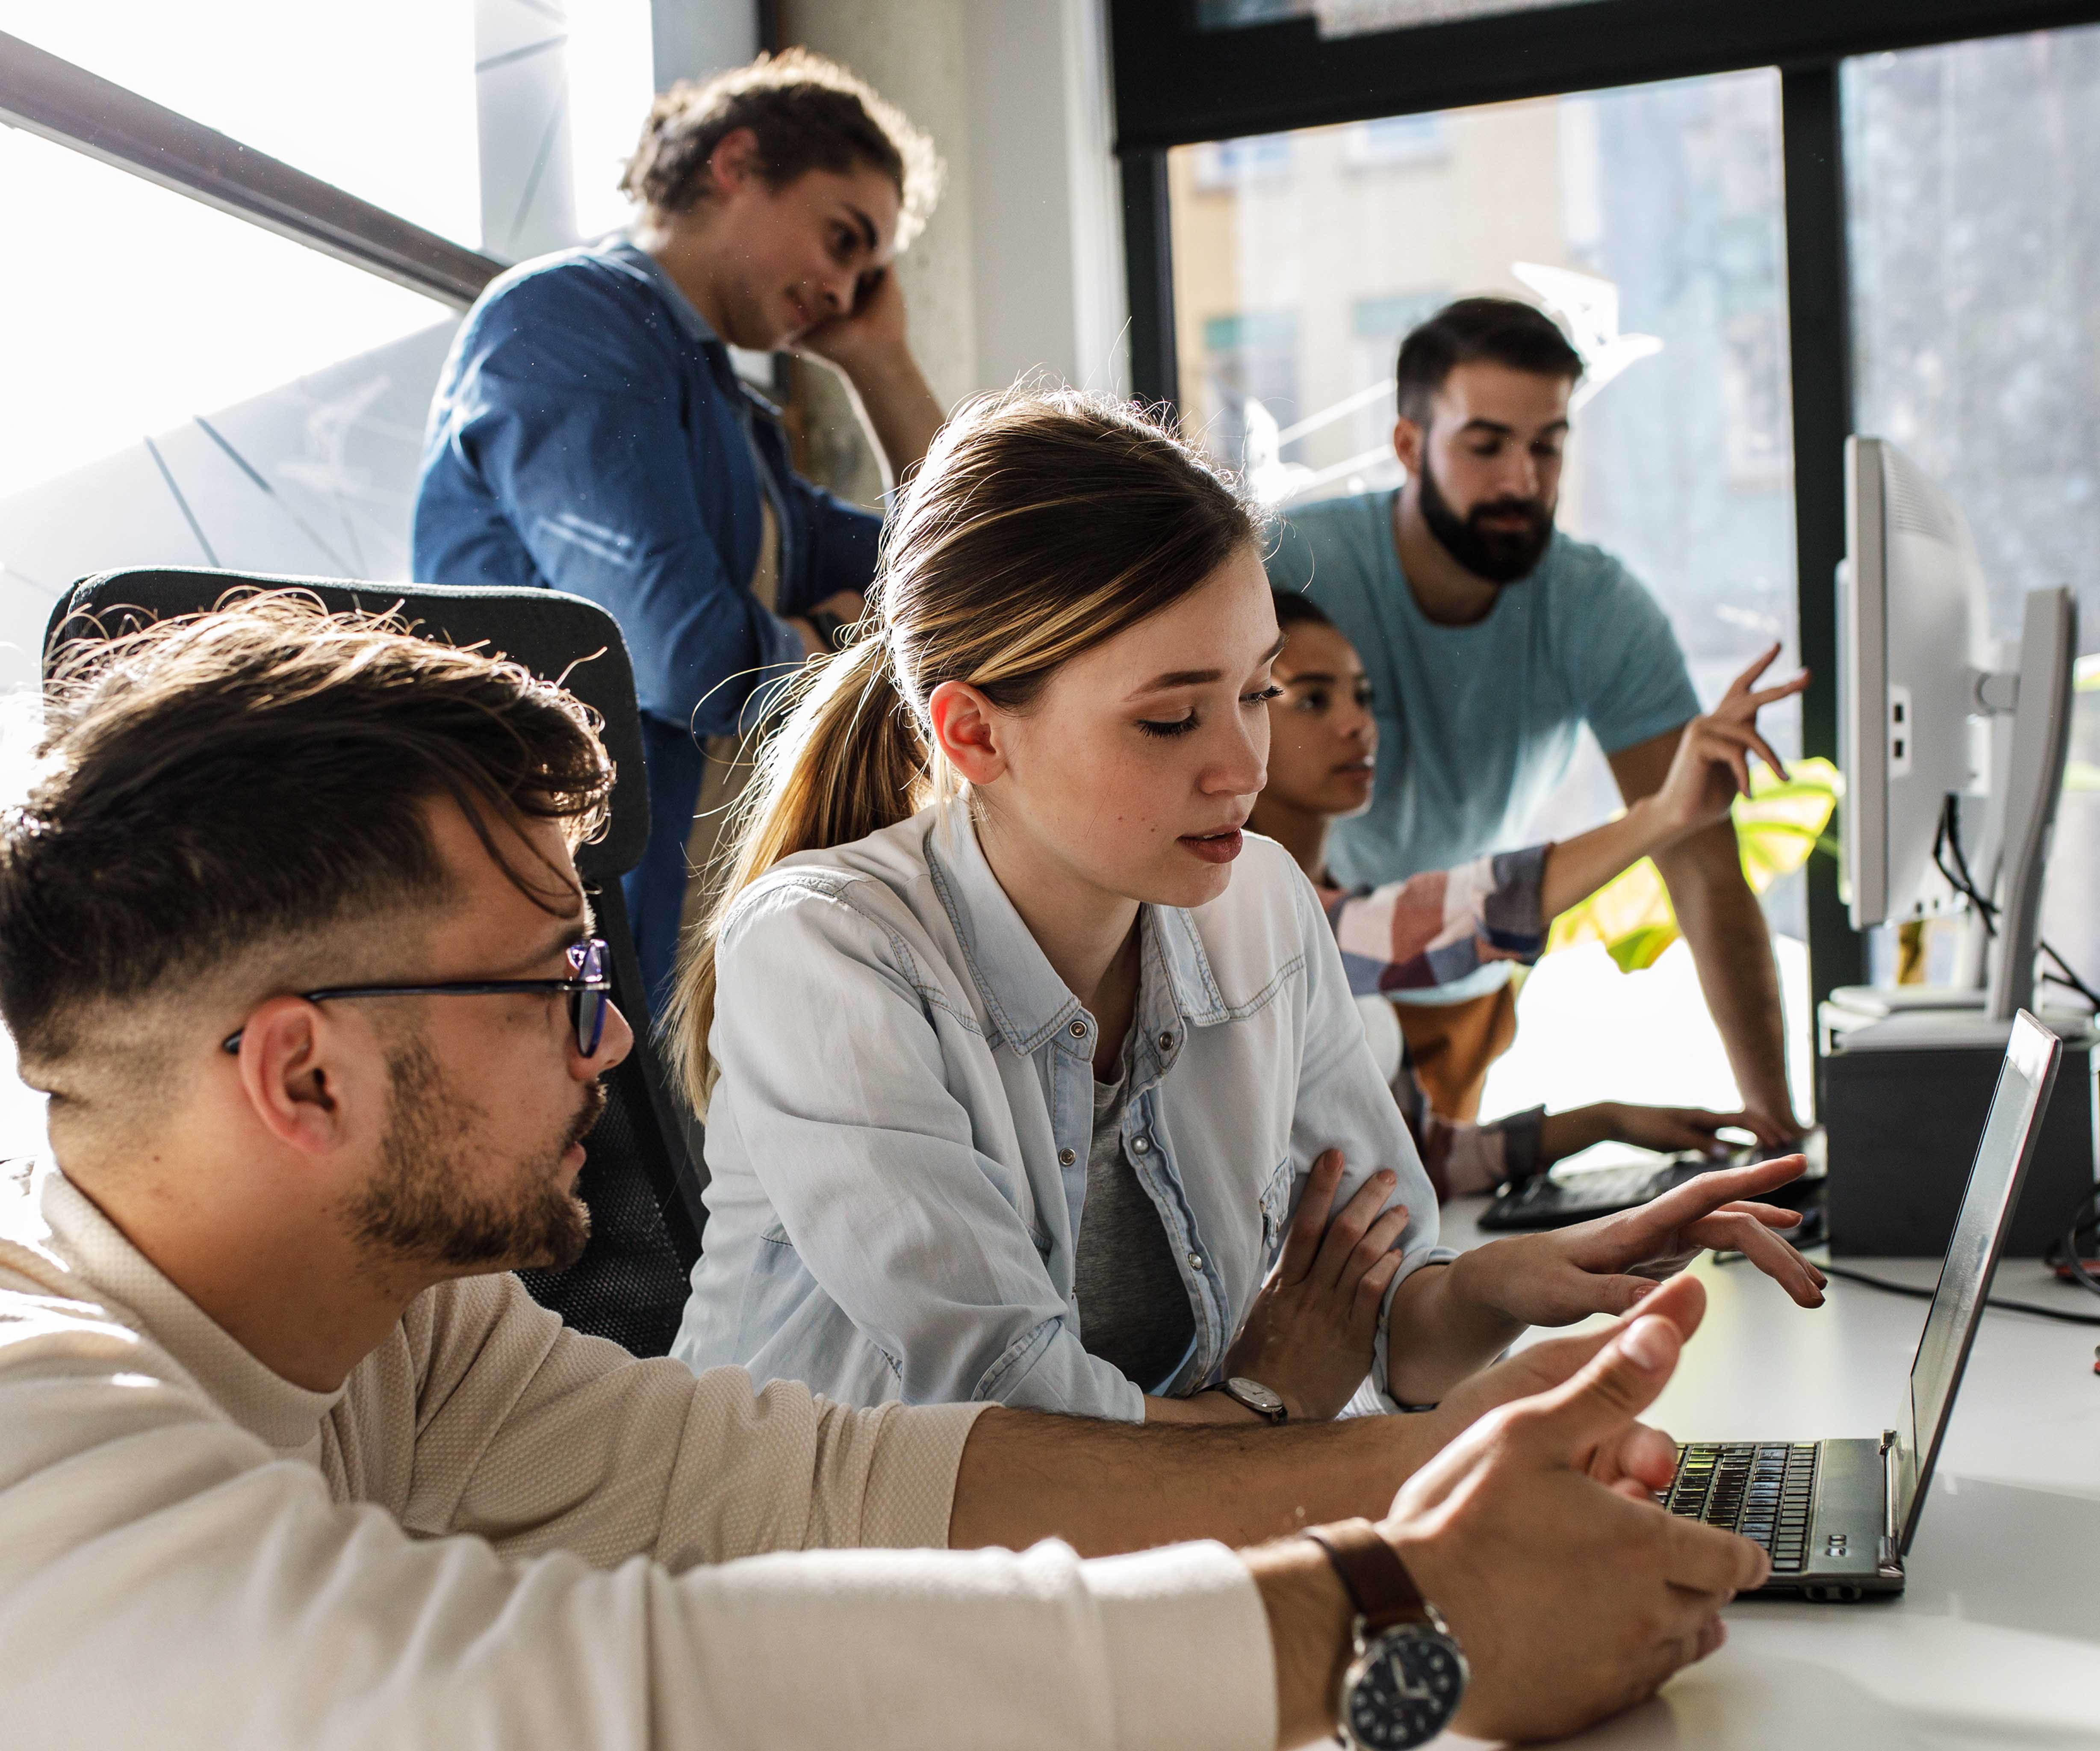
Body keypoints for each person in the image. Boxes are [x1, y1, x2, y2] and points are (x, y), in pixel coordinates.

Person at [0, 594, 1771, 1751]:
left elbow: (826, 1486)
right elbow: (570, 1745)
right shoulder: (30, 1419)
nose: (607, 1046)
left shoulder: (399, 1337)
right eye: (556, 984)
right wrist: (1389, 1611)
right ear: (302, 1074)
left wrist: (1441, 1470)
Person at [670, 390, 1823, 1426]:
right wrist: (1265, 1408)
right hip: (820, 1577)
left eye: (1259, 692)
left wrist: (1505, 1285)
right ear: (973, 732)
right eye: (1171, 721)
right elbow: (1012, 1428)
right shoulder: (826, 951)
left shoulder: (1258, 901)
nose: (1243, 767)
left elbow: (1378, 1320)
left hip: (1123, 1564)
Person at [413, 49, 948, 1015]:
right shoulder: (569, 318)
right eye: (841, 240)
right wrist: (837, 639)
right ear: (735, 163)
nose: (843, 289)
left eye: (865, 272)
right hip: (550, 925)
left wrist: (880, 362)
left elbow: (957, 558)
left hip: (653, 924)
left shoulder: (730, 416)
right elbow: (681, 657)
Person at [1265, 295, 1810, 1131]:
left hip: (1463, 981)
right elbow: (1379, 931)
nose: (1520, 480)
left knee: (1427, 1185)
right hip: (1313, 970)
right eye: (1485, 446)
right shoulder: (1284, 569)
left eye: (1546, 446)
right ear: (1408, 445)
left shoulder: (1596, 608)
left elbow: (1701, 867)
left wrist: (1774, 1132)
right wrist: (1658, 816)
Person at [1252, 590, 1797, 1199]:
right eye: (1313, 701)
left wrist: (1608, 1121)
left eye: (1363, 696)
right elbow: (1441, 920)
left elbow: (1422, 1160)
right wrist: (1664, 813)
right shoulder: (1254, 917)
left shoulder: (1323, 911)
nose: (1359, 723)